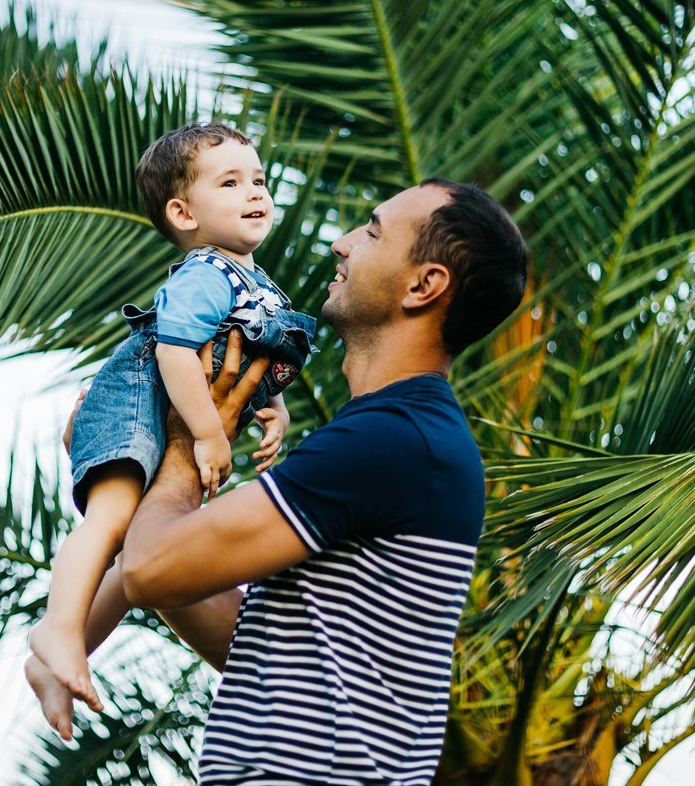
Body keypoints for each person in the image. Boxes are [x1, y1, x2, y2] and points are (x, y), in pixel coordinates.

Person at [26, 178, 528, 784]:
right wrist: (126, 465)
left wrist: (185, 442)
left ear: (424, 286)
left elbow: (150, 568)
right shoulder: (393, 438)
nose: (342, 244)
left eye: (371, 231)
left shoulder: (396, 441)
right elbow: (240, 635)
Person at [27, 122, 317, 712]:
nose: (256, 193)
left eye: (259, 180)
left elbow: (251, 354)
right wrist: (209, 435)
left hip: (162, 417)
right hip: (132, 408)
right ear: (183, 213)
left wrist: (274, 406)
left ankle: (56, 662)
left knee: (135, 564)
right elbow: (174, 350)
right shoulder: (207, 273)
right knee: (108, 524)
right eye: (231, 183)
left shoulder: (254, 284)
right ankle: (54, 631)